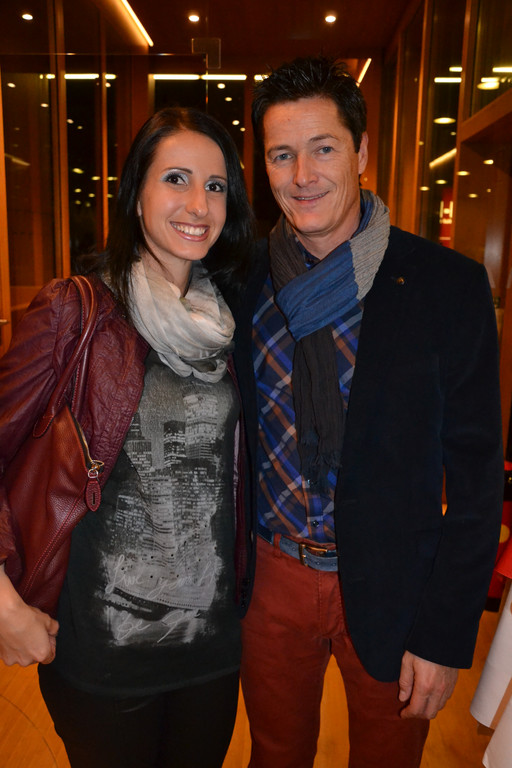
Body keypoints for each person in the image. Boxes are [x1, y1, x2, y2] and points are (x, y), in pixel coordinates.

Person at [231, 55, 504, 768]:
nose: (302, 175)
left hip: (397, 584)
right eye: (281, 154)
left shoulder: (447, 287)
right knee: (274, 755)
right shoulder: (241, 282)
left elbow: (477, 483)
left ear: (361, 153)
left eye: (323, 148)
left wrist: (443, 634)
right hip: (273, 579)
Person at [0, 106, 254, 768]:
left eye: (216, 185)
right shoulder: (75, 311)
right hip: (102, 659)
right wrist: (4, 606)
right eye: (175, 178)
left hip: (212, 654)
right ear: (136, 194)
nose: (198, 204)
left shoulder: (228, 324)